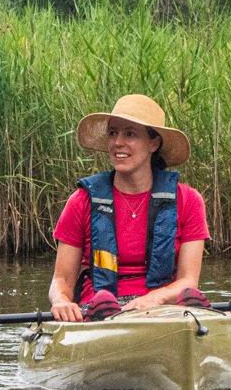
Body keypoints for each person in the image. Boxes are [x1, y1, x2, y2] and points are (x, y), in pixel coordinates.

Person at [48, 94, 210, 321]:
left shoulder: (189, 200)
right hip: (100, 309)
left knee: (192, 296)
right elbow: (62, 281)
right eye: (113, 133)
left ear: (153, 143)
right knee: (103, 300)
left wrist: (154, 299)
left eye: (130, 134)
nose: (117, 142)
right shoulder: (81, 200)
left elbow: (188, 279)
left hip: (162, 311)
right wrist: (62, 301)